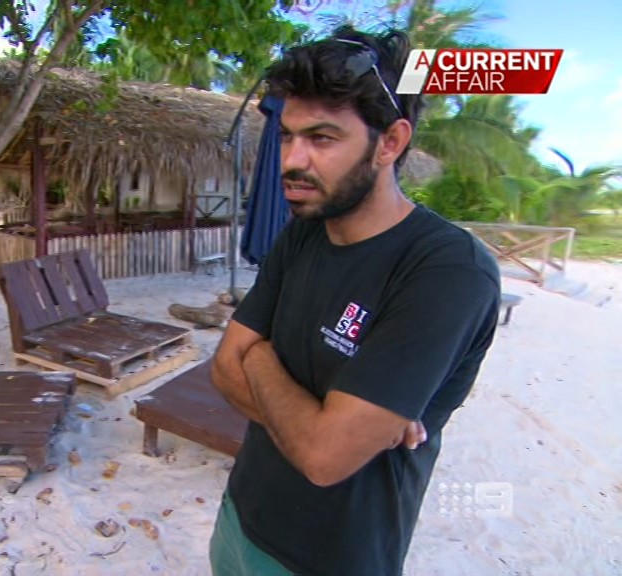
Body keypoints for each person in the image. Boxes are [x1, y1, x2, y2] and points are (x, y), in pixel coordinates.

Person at [209, 26, 501, 576]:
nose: (292, 160)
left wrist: (260, 357)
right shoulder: (302, 232)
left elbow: (324, 459)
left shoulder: (446, 271)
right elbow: (223, 370)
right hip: (240, 515)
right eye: (287, 136)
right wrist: (319, 424)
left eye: (322, 138)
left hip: (331, 558)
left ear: (389, 142)